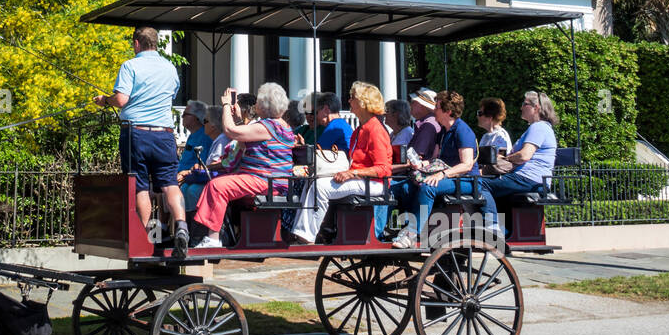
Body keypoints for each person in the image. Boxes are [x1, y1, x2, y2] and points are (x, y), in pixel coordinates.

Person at [93, 26, 188, 259]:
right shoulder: (169, 68)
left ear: (137, 43)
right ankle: (182, 226)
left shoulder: (130, 66)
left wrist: (105, 100)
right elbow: (171, 94)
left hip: (136, 134)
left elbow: (122, 99)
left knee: (140, 186)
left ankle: (146, 238)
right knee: (169, 184)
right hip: (164, 134)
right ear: (155, 43)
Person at [190, 82, 296, 249]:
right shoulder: (279, 126)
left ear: (265, 105)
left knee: (218, 186)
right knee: (218, 183)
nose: (256, 104)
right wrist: (239, 120)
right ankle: (215, 234)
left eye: (259, 101)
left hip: (267, 181)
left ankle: (213, 238)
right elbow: (244, 135)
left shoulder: (268, 126)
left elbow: (230, 131)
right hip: (267, 180)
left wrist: (225, 105)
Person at [289, 81, 392, 244]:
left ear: (363, 103)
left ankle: (307, 236)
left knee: (320, 187)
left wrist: (352, 173)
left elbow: (383, 168)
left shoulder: (375, 130)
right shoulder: (360, 129)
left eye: (352, 98)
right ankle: (300, 232)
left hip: (374, 183)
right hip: (361, 179)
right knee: (313, 182)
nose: (349, 101)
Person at [391, 89, 479, 249]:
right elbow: (436, 158)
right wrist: (422, 164)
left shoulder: (462, 130)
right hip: (447, 176)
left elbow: (467, 165)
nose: (434, 110)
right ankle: (396, 226)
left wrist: (442, 174)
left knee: (428, 187)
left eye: (437, 107)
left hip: (465, 180)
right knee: (404, 186)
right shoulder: (443, 131)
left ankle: (412, 233)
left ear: (448, 111)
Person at [480, 91, 560, 231]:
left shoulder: (538, 127)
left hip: (529, 179)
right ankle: (506, 231)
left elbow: (524, 155)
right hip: (529, 179)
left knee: (480, 185)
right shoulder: (538, 128)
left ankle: (493, 227)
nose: (521, 107)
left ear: (536, 108)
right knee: (496, 190)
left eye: (525, 104)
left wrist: (506, 159)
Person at [177, 105, 223, 213]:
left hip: (211, 179)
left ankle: (197, 226)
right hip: (198, 176)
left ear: (213, 125)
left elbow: (216, 165)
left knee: (192, 190)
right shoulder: (196, 136)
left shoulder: (215, 139)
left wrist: (187, 172)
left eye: (205, 121)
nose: (203, 124)